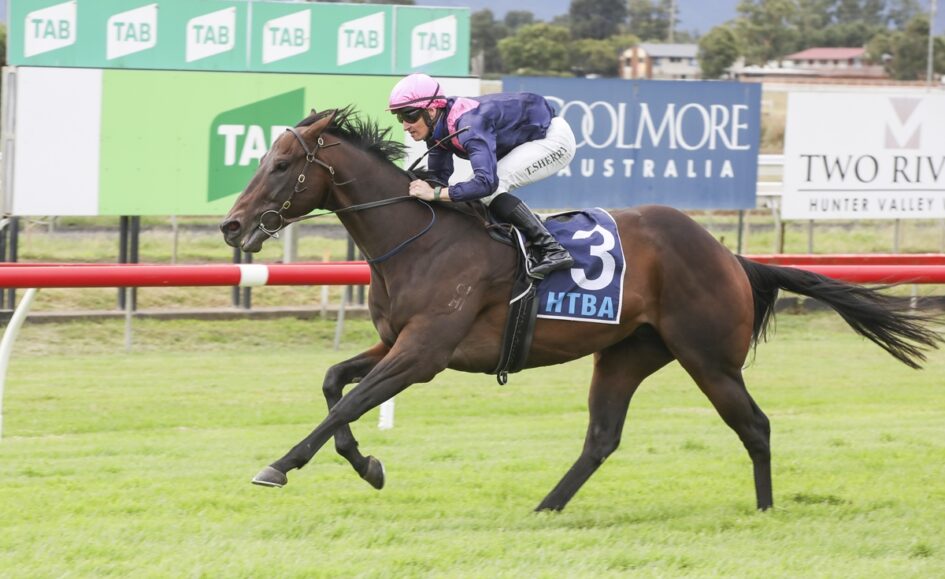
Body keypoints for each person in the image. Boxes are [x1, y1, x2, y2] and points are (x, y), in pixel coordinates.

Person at [387, 73, 576, 278]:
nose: (405, 125)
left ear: (431, 110)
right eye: (399, 117)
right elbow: (438, 178)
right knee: (470, 192)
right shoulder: (436, 130)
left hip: (553, 140)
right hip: (528, 136)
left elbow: (486, 183)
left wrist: (435, 193)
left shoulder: (469, 126)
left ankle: (553, 249)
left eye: (409, 115)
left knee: (488, 189)